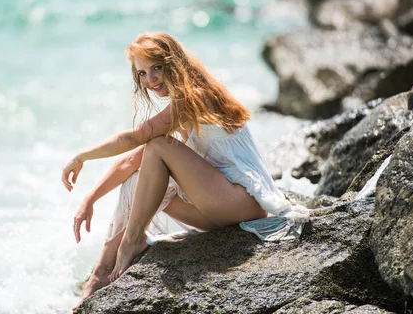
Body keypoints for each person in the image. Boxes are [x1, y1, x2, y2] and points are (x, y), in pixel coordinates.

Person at [62, 32, 309, 311]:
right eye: (142, 73)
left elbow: (136, 138)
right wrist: (89, 200)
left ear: (174, 63)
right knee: (139, 178)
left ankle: (131, 242)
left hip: (241, 201)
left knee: (157, 146)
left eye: (156, 67)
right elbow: (131, 161)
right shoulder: (182, 104)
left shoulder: (197, 97)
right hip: (219, 209)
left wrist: (82, 156)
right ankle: (100, 274)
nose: (150, 79)